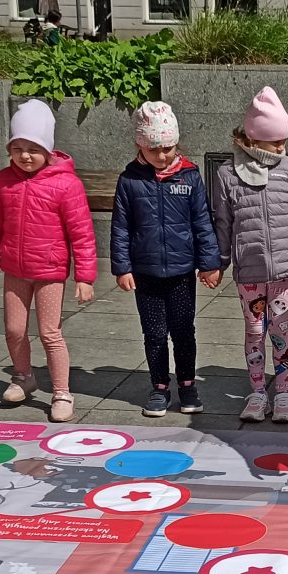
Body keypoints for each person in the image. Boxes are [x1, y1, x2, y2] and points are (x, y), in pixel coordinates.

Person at [0, 100, 97, 425]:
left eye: (33, 149)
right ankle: (23, 377)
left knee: (49, 332)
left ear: (48, 149)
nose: (25, 156)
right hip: (15, 270)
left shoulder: (66, 184)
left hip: (50, 272)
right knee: (14, 329)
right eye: (17, 148)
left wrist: (85, 277)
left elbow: (82, 233)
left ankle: (62, 392)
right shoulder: (4, 181)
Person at [211, 86, 288, 424]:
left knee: (280, 331)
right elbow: (223, 222)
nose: (282, 148)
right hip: (250, 270)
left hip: (286, 270)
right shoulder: (228, 174)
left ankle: (283, 393)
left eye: (284, 141)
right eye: (275, 142)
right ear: (254, 138)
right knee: (255, 331)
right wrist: (218, 262)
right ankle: (258, 392)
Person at [111, 100, 222, 418]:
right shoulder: (130, 180)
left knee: (184, 331)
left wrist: (209, 263)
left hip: (181, 271)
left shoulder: (190, 177)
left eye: (168, 148)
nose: (162, 156)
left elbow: (203, 222)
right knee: (155, 333)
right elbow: (121, 227)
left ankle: (187, 384)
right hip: (145, 272)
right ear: (140, 145)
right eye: (154, 150)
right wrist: (122, 267)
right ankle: (159, 386)